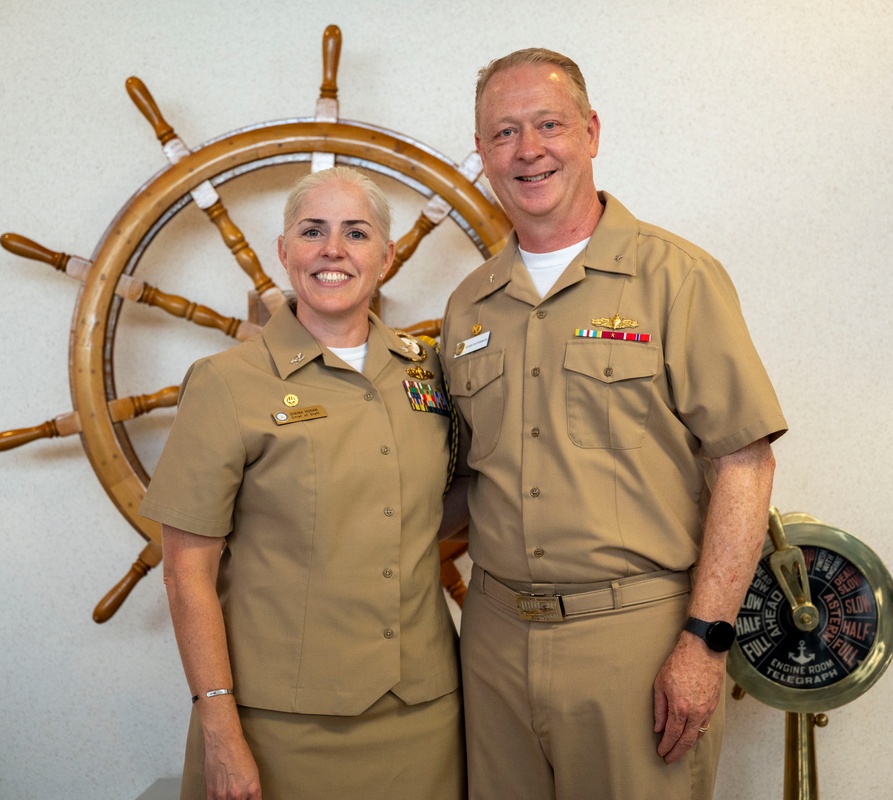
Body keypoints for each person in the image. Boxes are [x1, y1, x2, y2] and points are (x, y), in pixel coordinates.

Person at [440, 49, 788, 800]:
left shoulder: (676, 277)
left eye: (548, 124)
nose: (527, 150)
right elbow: (469, 482)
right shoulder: (468, 307)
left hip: (637, 640)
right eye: (502, 133)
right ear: (481, 154)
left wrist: (705, 642)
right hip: (493, 640)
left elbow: (744, 463)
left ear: (591, 132)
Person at [141, 166, 465, 800]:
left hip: (424, 712)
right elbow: (186, 574)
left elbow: (452, 504)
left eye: (357, 232)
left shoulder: (429, 373)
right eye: (312, 231)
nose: (333, 250)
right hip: (279, 726)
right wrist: (220, 730)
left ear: (388, 254)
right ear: (284, 252)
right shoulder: (225, 383)